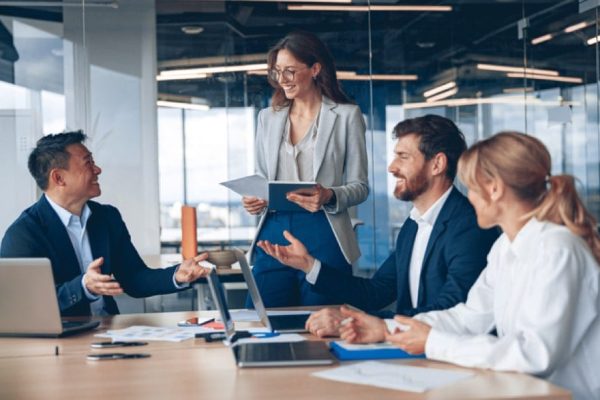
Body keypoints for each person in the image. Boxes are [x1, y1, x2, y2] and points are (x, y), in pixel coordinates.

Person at [341, 132, 600, 400]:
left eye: (472, 189)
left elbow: (534, 354)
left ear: (495, 189)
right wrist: (388, 330)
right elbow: (470, 317)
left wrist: (433, 342)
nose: (470, 199)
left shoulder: (557, 249)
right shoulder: (505, 248)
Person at [258, 114, 498, 337]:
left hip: (444, 355)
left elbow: (450, 309)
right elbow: (375, 292)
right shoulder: (414, 225)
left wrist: (359, 323)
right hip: (409, 348)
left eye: (403, 157)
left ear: (437, 165)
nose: (392, 167)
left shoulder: (469, 227)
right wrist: (309, 265)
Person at [0, 131, 211, 317]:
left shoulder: (107, 217)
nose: (98, 169)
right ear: (59, 178)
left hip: (109, 331)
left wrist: (176, 275)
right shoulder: (23, 234)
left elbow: (134, 279)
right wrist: (83, 287)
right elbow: (25, 305)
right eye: (88, 163)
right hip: (61, 341)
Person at [243, 31, 369, 307]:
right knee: (264, 317)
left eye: (290, 71)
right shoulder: (268, 118)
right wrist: (254, 198)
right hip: (274, 228)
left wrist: (329, 195)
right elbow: (262, 177)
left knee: (322, 320)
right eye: (277, 72)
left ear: (315, 69)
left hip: (325, 228)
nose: (282, 79)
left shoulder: (347, 115)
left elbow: (360, 186)